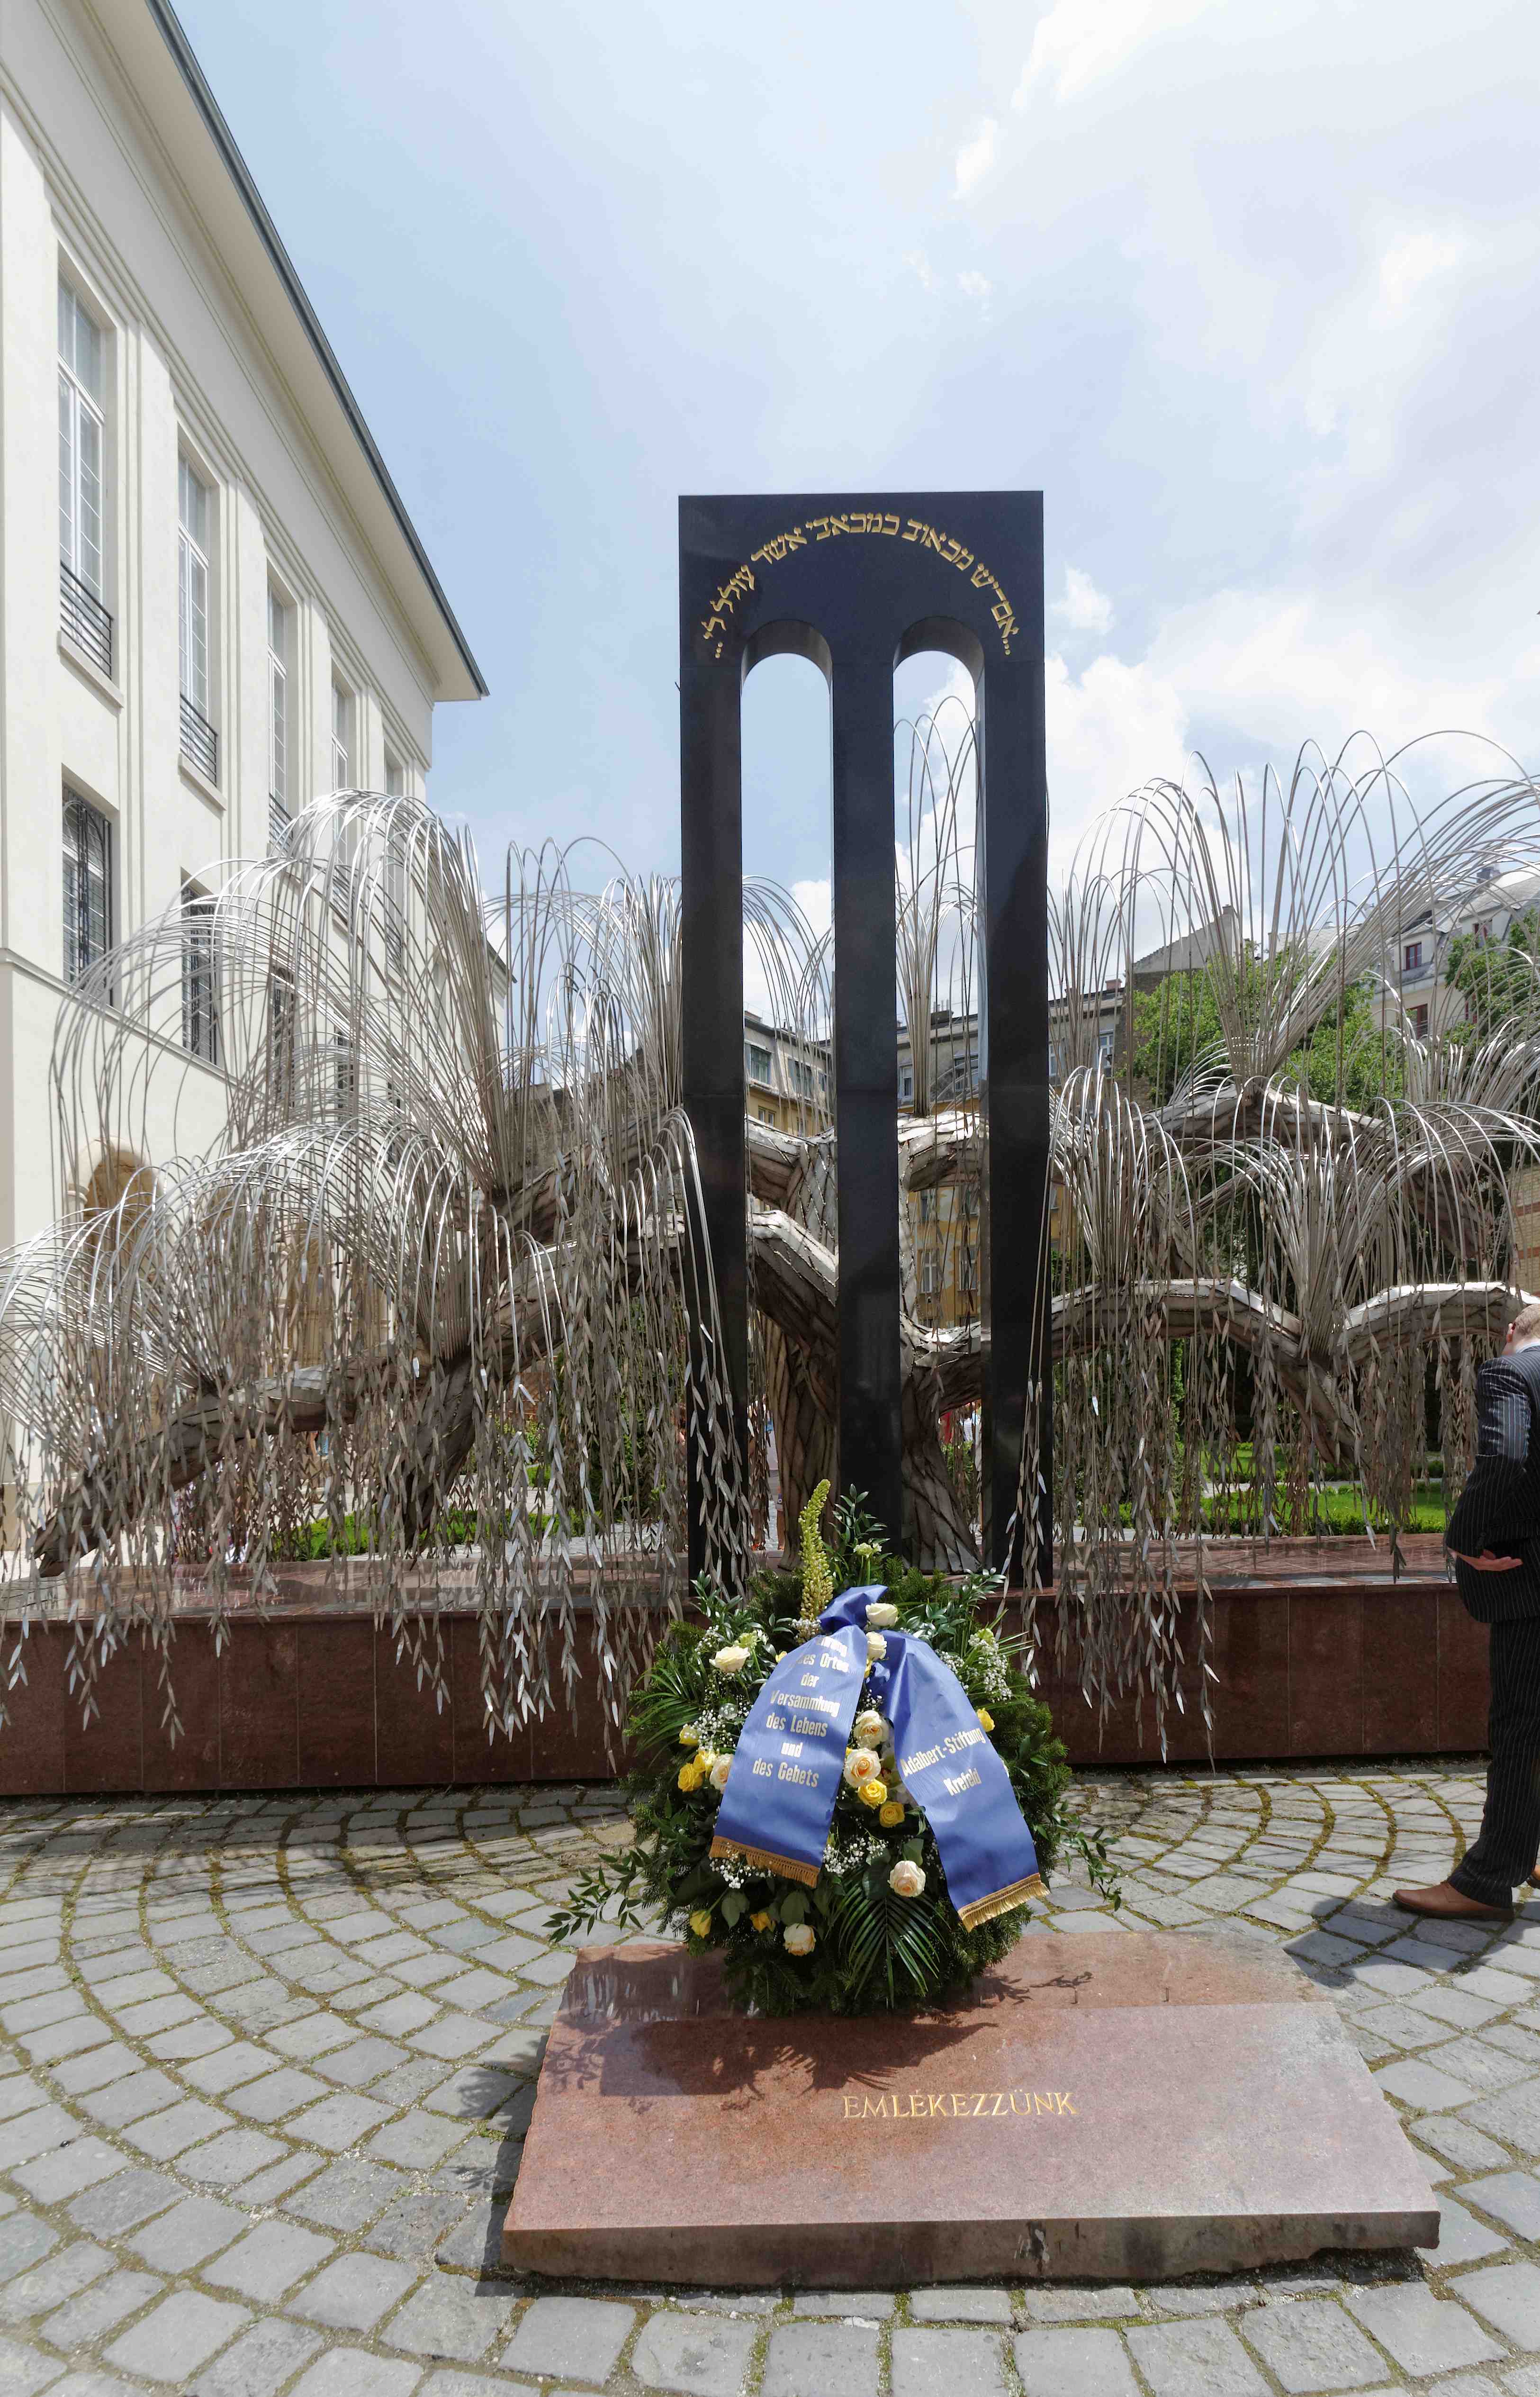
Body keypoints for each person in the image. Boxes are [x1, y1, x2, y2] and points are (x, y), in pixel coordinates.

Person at [1396, 1300, 1540, 1922]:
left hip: (1528, 1582)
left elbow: (1505, 1456)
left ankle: (1487, 1881)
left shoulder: (1510, 1373)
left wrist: (1463, 1537)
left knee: (1520, 1726)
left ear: (1513, 1332)